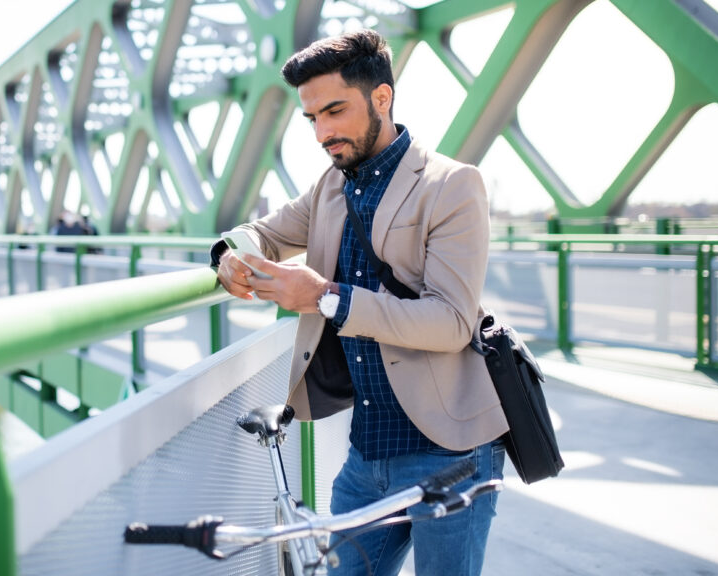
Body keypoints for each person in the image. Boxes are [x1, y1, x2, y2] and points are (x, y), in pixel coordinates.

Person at [211, 29, 507, 575]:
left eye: (334, 111)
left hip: (452, 450)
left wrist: (326, 297)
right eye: (312, 119)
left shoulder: (451, 185)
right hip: (367, 455)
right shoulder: (330, 186)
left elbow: (452, 322)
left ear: (381, 98)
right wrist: (228, 253)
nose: (323, 132)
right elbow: (261, 234)